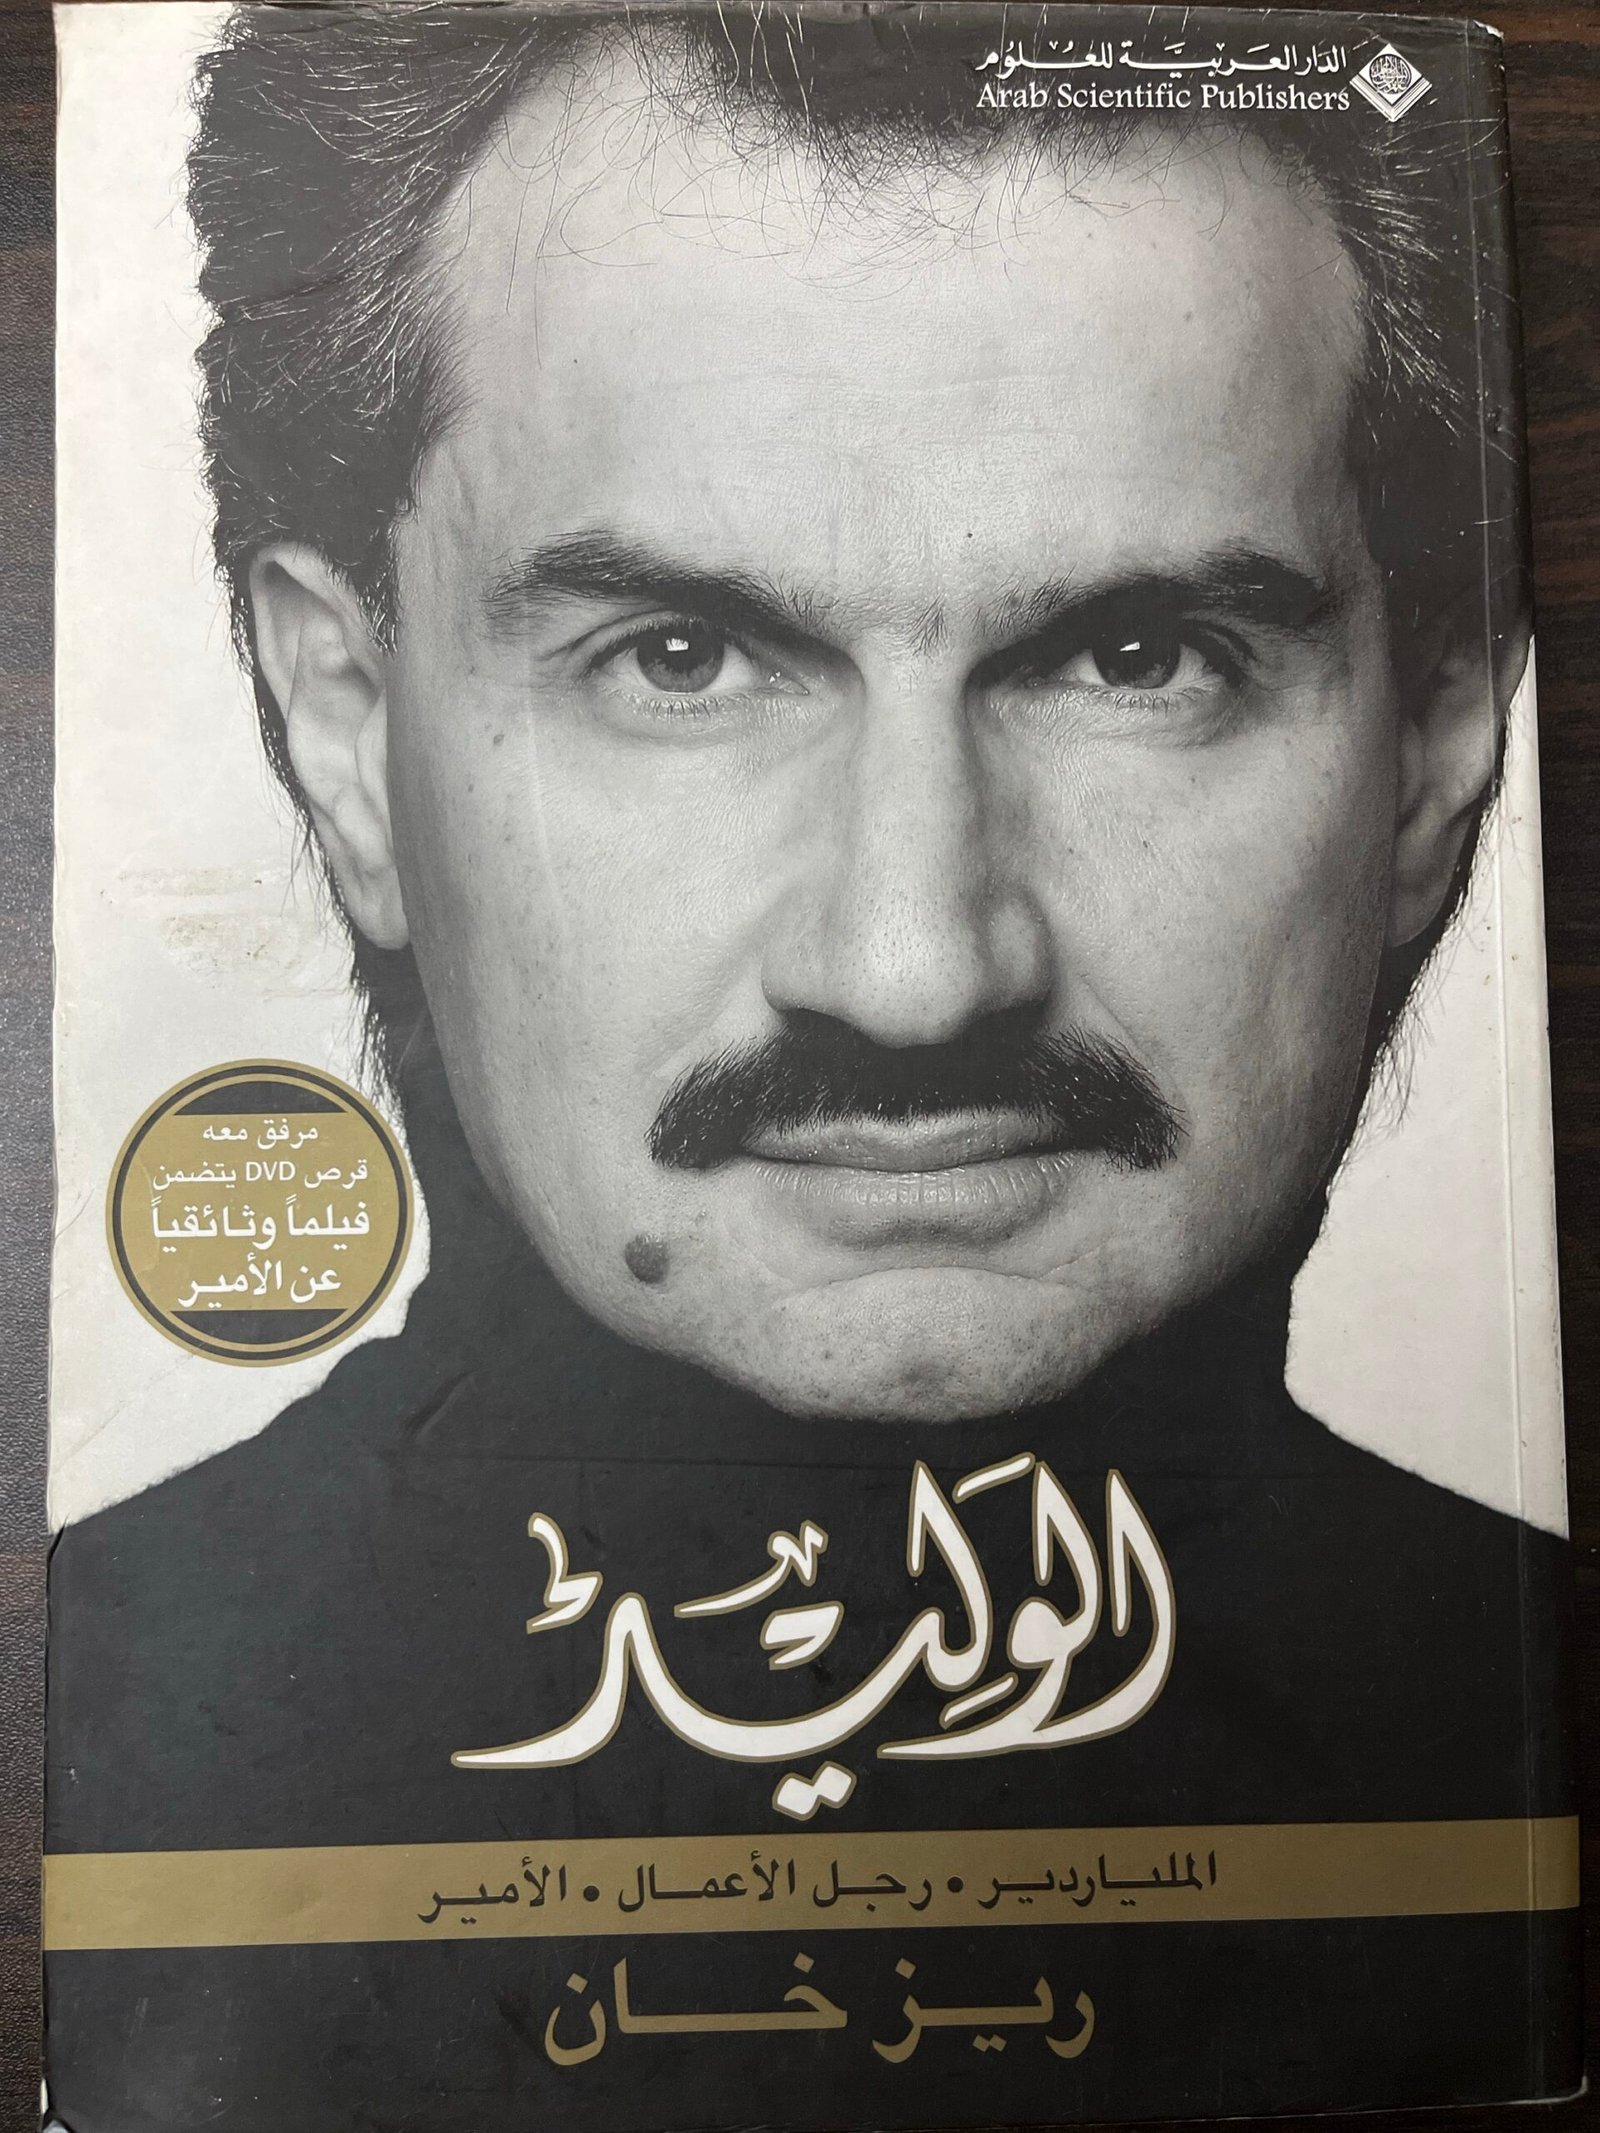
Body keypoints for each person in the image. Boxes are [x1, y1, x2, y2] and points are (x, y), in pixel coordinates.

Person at [46, 9, 1576, 2131]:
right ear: (344, 730)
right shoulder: (98, 1732)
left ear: (1432, 752)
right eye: (679, 659)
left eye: (1134, 657)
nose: (914, 967)